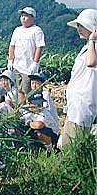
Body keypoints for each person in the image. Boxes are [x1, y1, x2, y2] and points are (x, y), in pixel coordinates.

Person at [59, 9, 97, 147]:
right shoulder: (86, 47)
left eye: (82, 25)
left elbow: (91, 63)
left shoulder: (94, 47)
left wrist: (93, 40)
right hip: (76, 105)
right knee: (66, 144)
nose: (79, 29)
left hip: (83, 106)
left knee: (74, 146)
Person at [7, 7, 45, 103]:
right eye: (22, 16)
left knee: (28, 89)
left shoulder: (36, 30)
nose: (23, 18)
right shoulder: (17, 30)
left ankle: (31, 107)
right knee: (19, 88)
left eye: (26, 16)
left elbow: (39, 47)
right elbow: (12, 46)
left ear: (32, 18)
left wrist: (35, 63)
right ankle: (20, 107)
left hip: (28, 66)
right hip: (17, 65)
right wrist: (10, 60)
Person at [28, 72, 60, 136]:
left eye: (37, 83)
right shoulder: (31, 95)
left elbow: (43, 110)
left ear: (42, 84)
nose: (34, 86)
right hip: (38, 121)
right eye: (32, 83)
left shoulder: (45, 95)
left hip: (48, 125)